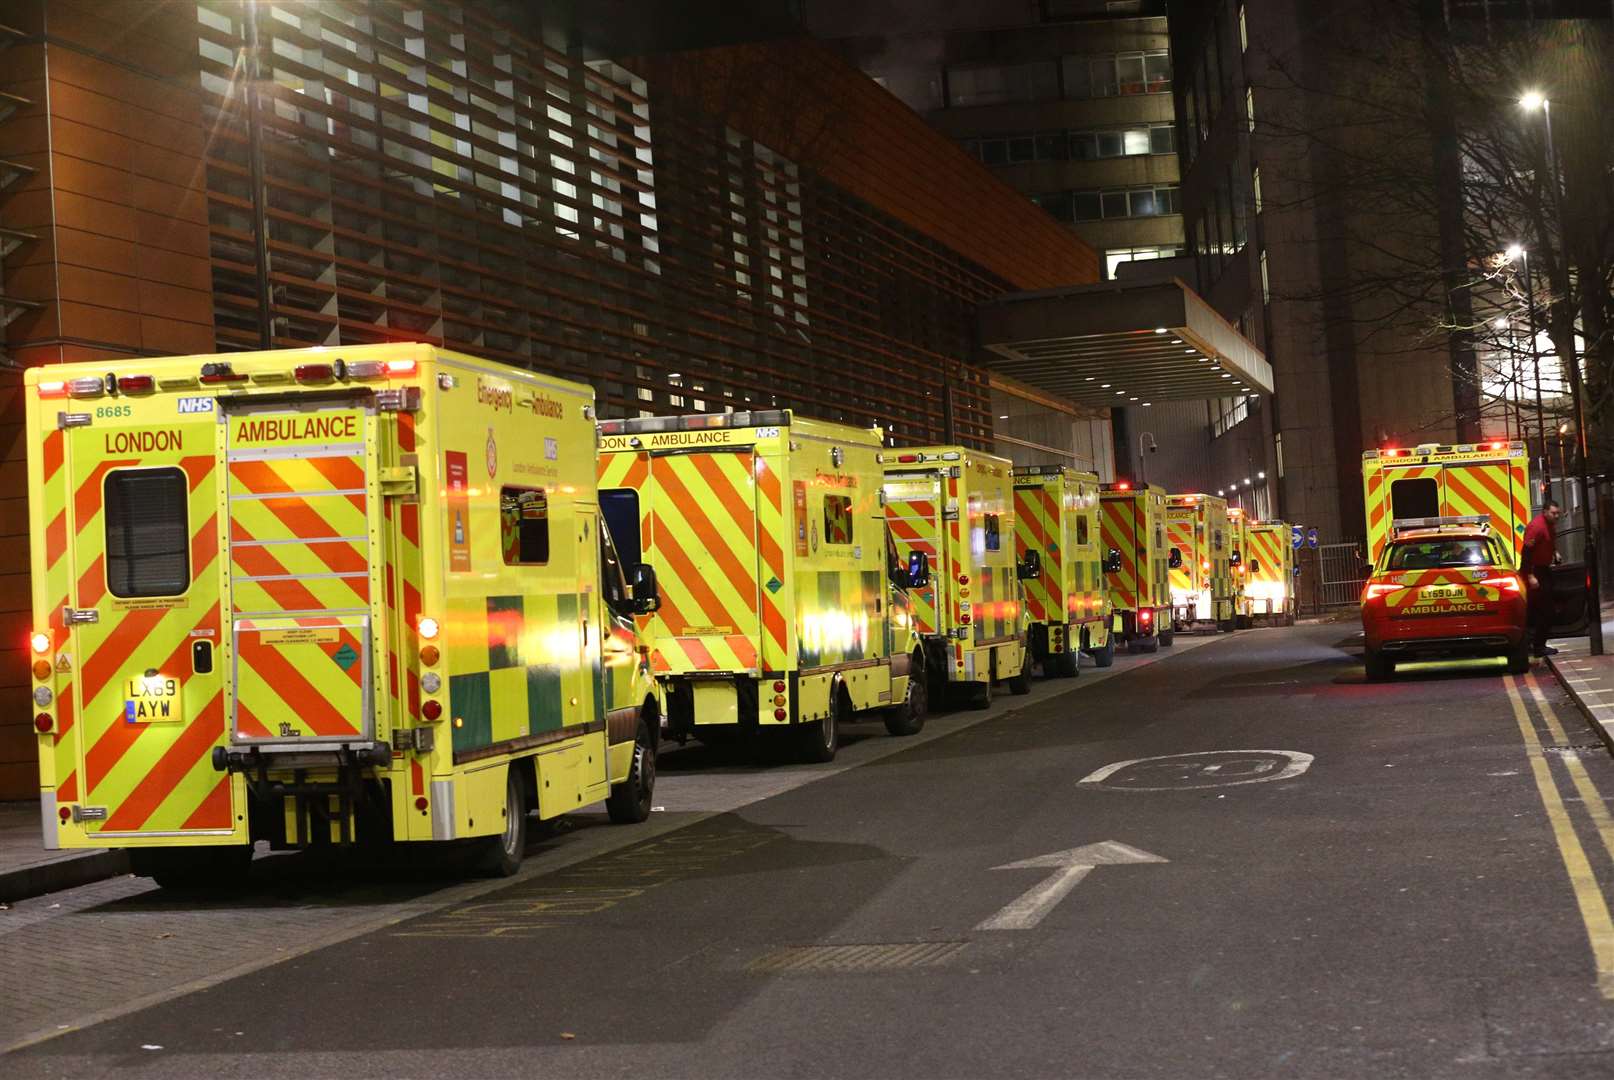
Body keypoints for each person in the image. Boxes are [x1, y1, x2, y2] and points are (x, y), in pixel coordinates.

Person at [1522, 500, 1562, 657]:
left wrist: (1555, 553)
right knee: (1545, 610)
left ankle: (1535, 644)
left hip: (1543, 570)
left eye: (1558, 513)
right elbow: (1526, 553)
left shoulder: (1549, 525)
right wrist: (1530, 575)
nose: (1557, 516)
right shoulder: (1536, 527)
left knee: (1543, 609)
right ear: (1545, 511)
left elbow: (1549, 542)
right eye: (1553, 513)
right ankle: (1538, 646)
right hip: (1534, 571)